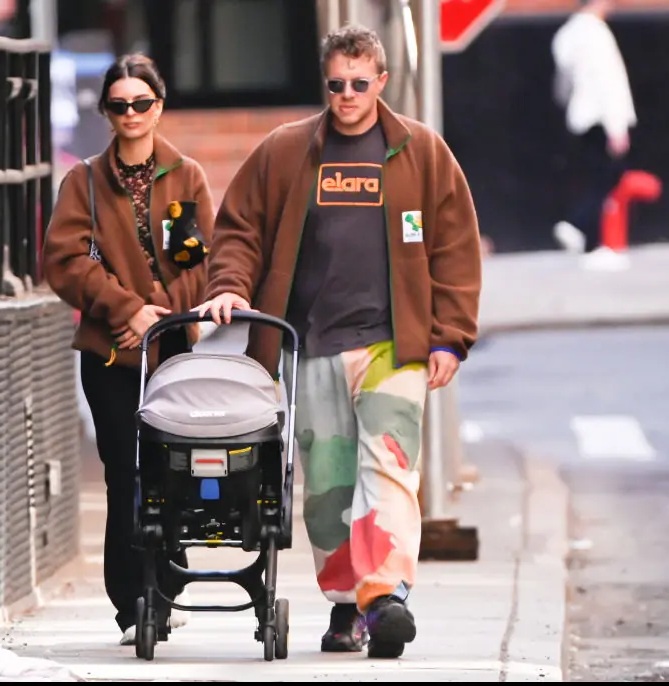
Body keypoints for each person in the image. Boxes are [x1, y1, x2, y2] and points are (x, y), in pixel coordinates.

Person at [194, 24, 482, 659]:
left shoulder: (422, 153)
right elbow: (240, 228)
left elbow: (456, 249)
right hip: (311, 343)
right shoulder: (286, 152)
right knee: (326, 488)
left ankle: (385, 600)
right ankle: (347, 605)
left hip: (393, 346)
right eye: (335, 84)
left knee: (390, 474)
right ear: (324, 83)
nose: (347, 94)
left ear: (381, 81)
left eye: (359, 83)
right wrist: (230, 285)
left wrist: (450, 337)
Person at [42, 53, 214, 646]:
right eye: (120, 105)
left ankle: (167, 580)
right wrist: (126, 310)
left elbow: (198, 259)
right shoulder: (83, 181)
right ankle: (132, 602)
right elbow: (65, 261)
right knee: (124, 471)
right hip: (111, 352)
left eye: (142, 102)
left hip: (170, 351)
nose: (132, 113)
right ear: (107, 113)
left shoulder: (185, 175)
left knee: (171, 468)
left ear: (159, 106)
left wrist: (159, 313)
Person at [551, 0, 637, 269]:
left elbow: (562, 80)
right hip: (601, 116)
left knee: (595, 178)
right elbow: (609, 83)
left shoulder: (566, 34)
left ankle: (589, 242)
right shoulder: (597, 34)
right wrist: (617, 127)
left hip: (580, 115)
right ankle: (579, 227)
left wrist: (567, 102)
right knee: (608, 177)